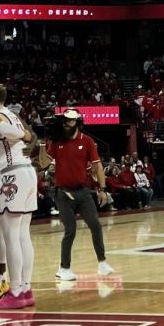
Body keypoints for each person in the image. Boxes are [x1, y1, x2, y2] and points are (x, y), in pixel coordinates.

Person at [0, 82, 38, 311]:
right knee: (23, 234)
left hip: (10, 175)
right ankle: (25, 288)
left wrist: (23, 135)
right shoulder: (13, 115)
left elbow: (18, 134)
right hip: (26, 172)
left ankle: (14, 291)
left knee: (11, 235)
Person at [41, 109, 115, 282]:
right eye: (66, 120)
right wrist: (43, 144)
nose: (68, 123)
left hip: (82, 191)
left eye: (71, 121)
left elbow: (97, 167)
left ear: (77, 122)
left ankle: (102, 263)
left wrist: (102, 189)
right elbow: (44, 163)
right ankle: (64, 268)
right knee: (70, 230)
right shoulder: (57, 142)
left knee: (95, 225)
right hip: (63, 193)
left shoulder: (87, 141)